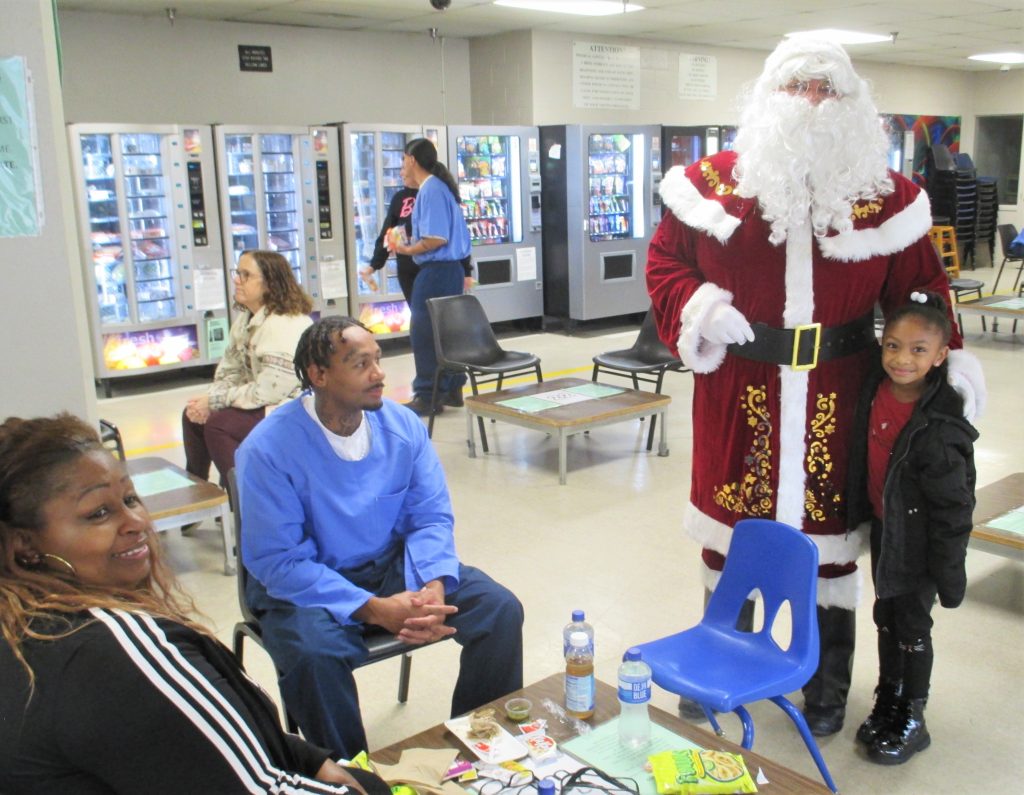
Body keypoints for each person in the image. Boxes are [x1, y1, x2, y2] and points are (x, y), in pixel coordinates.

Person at [646, 37, 986, 736]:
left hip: (843, 388)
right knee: (730, 536)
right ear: (769, 96)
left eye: (827, 89)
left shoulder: (889, 201)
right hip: (741, 391)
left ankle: (826, 683)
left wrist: (943, 371)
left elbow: (923, 296)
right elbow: (665, 264)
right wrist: (704, 309)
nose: (811, 102)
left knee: (833, 545)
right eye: (798, 86)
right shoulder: (710, 186)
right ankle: (719, 659)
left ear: (854, 104)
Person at [0, 414, 390, 794]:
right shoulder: (111, 652)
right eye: (99, 512)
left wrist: (306, 759)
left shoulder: (26, 627)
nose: (135, 521)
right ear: (26, 546)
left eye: (130, 498)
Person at [236, 315, 524, 759]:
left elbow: (429, 518)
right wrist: (373, 609)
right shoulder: (268, 449)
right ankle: (353, 777)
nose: (379, 373)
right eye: (360, 364)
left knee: (499, 610)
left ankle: (477, 750)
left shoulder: (402, 427)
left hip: (389, 565)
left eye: (378, 359)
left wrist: (433, 586)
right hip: (302, 584)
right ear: (319, 375)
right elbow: (278, 562)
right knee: (315, 657)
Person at [845, 291, 976, 765]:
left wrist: (950, 571)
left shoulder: (940, 426)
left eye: (919, 349)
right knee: (887, 616)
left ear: (941, 355)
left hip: (919, 543)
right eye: (893, 346)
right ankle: (889, 697)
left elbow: (954, 509)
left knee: (913, 626)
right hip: (887, 529)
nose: (902, 359)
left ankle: (913, 715)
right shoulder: (873, 391)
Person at [182, 249, 313, 486]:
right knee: (191, 416)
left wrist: (215, 402)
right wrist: (209, 400)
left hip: (290, 408)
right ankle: (200, 493)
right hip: (263, 402)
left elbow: (270, 391)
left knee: (219, 426)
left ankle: (244, 495)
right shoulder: (246, 320)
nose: (236, 280)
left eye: (245, 275)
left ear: (270, 283)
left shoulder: (283, 324)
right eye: (237, 273)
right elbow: (229, 370)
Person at [391, 138, 473, 417]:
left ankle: (427, 394)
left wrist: (405, 249)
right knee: (447, 332)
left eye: (403, 160)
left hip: (437, 271)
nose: (401, 167)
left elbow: (436, 238)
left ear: (412, 160)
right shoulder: (437, 188)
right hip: (450, 270)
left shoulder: (431, 190)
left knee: (424, 332)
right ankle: (450, 387)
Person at [360, 165, 474, 305]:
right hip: (407, 269)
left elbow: (457, 234)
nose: (401, 173)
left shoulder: (437, 194)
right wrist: (373, 266)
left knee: (434, 318)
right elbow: (387, 233)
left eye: (404, 168)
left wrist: (467, 271)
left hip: (434, 269)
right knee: (420, 315)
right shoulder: (400, 198)